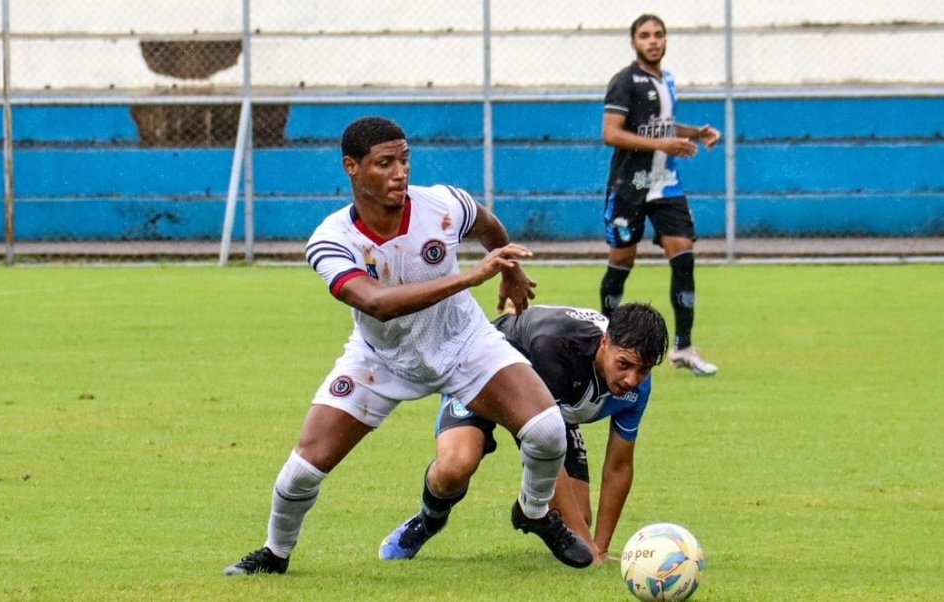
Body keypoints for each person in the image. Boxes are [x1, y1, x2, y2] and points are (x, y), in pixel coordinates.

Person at [223, 116, 594, 575]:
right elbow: (376, 304)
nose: (400, 172)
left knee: (547, 430)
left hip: (464, 343)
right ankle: (275, 555)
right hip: (381, 360)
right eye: (385, 163)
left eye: (404, 160)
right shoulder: (331, 239)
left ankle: (534, 513)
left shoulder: (441, 204)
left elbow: (486, 223)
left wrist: (510, 269)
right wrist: (471, 276)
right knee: (301, 471)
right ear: (351, 168)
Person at [379, 302, 669, 565]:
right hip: (483, 372)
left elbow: (618, 467)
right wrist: (589, 552)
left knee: (577, 521)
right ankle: (428, 521)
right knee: (455, 467)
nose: (632, 379)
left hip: (549, 403)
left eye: (642, 370)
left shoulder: (638, 386)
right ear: (605, 342)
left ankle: (528, 510)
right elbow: (542, 446)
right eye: (624, 365)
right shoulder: (557, 348)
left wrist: (600, 548)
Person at [599, 13, 720, 376]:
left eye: (658, 35)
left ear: (666, 40)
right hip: (631, 185)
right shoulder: (624, 81)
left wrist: (695, 132)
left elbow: (662, 125)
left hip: (666, 183)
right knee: (623, 259)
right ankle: (604, 336)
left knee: (683, 251)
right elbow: (612, 133)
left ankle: (683, 346)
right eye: (645, 35)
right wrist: (662, 142)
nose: (653, 41)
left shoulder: (667, 79)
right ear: (634, 41)